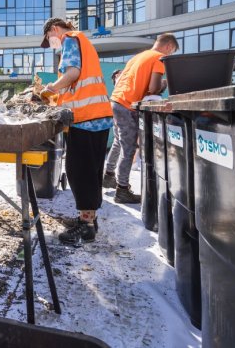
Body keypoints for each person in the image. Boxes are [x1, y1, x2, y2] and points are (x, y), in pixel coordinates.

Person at [39, 18, 113, 244]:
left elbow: (72, 73)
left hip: (86, 118)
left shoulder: (69, 39)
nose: (52, 43)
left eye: (49, 39)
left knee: (79, 172)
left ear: (54, 30)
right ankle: (89, 218)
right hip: (97, 116)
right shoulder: (83, 41)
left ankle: (86, 226)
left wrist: (50, 88)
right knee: (90, 171)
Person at [103, 33, 179, 203]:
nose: (170, 56)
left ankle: (108, 175)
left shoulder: (138, 57)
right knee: (129, 148)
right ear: (168, 47)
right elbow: (153, 88)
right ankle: (122, 189)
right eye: (171, 52)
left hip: (116, 100)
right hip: (127, 105)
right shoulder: (160, 58)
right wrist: (165, 84)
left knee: (119, 141)